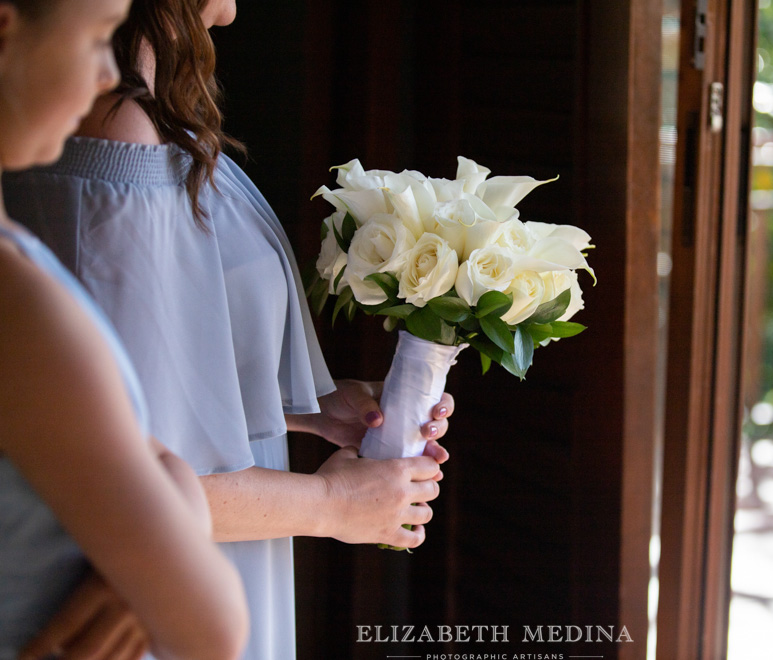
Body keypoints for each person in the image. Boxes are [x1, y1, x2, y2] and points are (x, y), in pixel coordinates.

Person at [3, 0, 454, 658]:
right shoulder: (119, 136)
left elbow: (152, 376)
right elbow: (142, 467)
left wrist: (312, 410)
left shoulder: (154, 114)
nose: (104, 69)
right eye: (98, 31)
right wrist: (332, 503)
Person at [0, 0, 250, 658]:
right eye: (94, 36)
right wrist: (177, 505)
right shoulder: (21, 311)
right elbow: (214, 627)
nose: (108, 74)